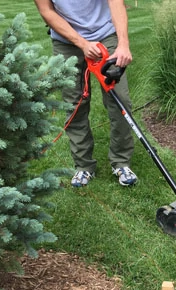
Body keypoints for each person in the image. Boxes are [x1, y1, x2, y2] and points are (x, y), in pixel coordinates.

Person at [34, 0, 138, 187]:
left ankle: (121, 161)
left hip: (106, 34)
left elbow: (116, 2)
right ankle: (83, 166)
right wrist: (81, 43)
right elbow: (46, 10)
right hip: (66, 41)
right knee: (75, 104)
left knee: (120, 100)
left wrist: (123, 43)